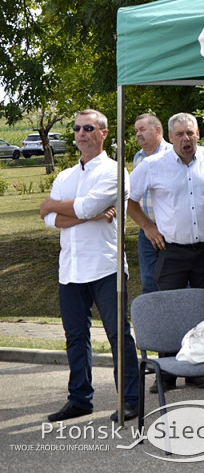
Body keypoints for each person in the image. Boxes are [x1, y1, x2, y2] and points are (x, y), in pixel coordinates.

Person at [40, 109, 141, 422]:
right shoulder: (66, 176)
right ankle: (80, 399)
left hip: (104, 266)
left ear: (104, 133)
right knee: (75, 337)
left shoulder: (115, 172)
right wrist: (91, 214)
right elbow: (48, 220)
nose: (81, 134)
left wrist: (65, 208)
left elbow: (77, 206)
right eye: (77, 129)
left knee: (117, 335)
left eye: (88, 128)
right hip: (70, 269)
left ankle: (131, 401)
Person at [127, 112, 204, 392]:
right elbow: (129, 201)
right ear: (170, 136)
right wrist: (148, 228)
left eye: (190, 133)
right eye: (180, 134)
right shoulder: (153, 165)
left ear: (198, 133)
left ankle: (197, 369)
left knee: (202, 308)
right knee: (169, 310)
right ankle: (166, 373)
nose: (186, 139)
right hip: (171, 249)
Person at [132, 113, 172, 294]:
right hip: (147, 230)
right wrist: (147, 227)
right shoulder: (138, 158)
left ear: (158, 130)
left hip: (171, 230)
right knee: (149, 281)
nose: (138, 134)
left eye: (142, 129)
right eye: (136, 130)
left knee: (174, 282)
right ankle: (153, 321)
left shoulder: (173, 154)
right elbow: (131, 197)